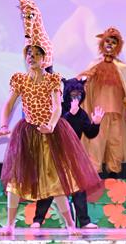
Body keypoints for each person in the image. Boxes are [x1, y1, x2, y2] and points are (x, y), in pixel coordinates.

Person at [0, 0, 102, 236]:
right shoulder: (20, 80)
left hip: (50, 134)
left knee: (55, 181)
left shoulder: (53, 80)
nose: (31, 58)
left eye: (36, 54)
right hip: (27, 133)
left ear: (44, 58)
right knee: (15, 180)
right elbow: (8, 104)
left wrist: (52, 125)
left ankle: (71, 225)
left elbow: (57, 107)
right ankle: (9, 225)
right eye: (28, 54)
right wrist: (3, 124)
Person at [31, 78, 105, 229]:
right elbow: (55, 127)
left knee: (78, 188)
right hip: (56, 153)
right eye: (73, 94)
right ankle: (37, 220)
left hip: (73, 155)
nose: (76, 98)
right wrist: (70, 114)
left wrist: (96, 123)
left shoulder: (82, 114)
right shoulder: (58, 108)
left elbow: (90, 133)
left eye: (79, 95)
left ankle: (84, 222)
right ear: (66, 94)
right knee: (51, 187)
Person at [79, 27, 126, 177]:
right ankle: (94, 172)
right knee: (96, 142)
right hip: (98, 113)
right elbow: (83, 82)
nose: (110, 44)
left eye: (113, 42)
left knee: (115, 142)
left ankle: (114, 171)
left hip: (117, 111)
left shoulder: (122, 68)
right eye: (107, 41)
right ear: (102, 43)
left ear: (118, 46)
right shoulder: (95, 65)